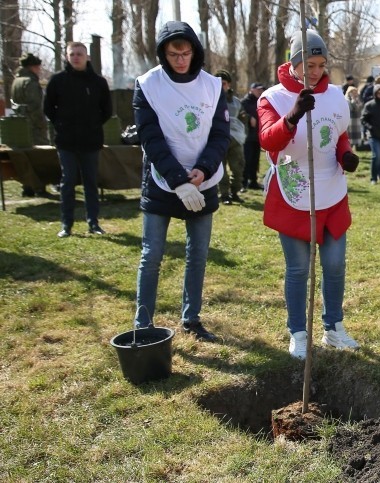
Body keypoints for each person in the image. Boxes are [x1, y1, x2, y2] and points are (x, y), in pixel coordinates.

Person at [257, 29, 360, 359]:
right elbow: (269, 140)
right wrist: (294, 115)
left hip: (331, 190)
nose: (315, 72)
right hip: (294, 193)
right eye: (308, 65)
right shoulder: (272, 98)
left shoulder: (335, 94)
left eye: (321, 64)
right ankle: (298, 334)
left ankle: (333, 328)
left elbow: (336, 133)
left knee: (334, 264)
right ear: (293, 63)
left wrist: (345, 154)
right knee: (299, 269)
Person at [132, 21, 230, 342]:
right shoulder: (148, 86)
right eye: (174, 54)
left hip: (202, 179)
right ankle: (143, 324)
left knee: (198, 252)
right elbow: (151, 137)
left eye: (186, 52)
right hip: (162, 179)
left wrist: (202, 169)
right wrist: (177, 179)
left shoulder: (212, 86)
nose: (181, 59)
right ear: (163, 53)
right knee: (152, 253)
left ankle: (191, 318)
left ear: (195, 51)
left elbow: (219, 135)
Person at [44, 41, 113, 238]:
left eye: (80, 54)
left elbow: (106, 110)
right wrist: (62, 125)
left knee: (90, 182)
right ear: (67, 56)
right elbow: (48, 108)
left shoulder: (98, 82)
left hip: (90, 141)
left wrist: (91, 125)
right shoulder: (58, 81)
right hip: (66, 141)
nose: (76, 57)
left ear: (87, 57)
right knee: (68, 182)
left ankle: (93, 223)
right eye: (72, 54)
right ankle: (66, 224)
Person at [11, 53, 49, 197]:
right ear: (33, 67)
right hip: (33, 125)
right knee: (40, 157)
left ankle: (27, 186)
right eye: (38, 67)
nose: (39, 70)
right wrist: (41, 125)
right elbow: (35, 107)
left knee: (24, 158)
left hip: (20, 125)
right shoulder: (31, 82)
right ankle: (39, 186)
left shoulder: (16, 81)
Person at [214, 70, 247, 204]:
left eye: (224, 84)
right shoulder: (209, 99)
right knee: (220, 169)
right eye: (219, 84)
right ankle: (224, 194)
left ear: (228, 85)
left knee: (238, 167)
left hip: (235, 139)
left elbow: (242, 118)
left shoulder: (236, 102)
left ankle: (235, 192)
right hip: (217, 139)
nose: (222, 87)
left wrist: (245, 121)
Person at [240, 82, 265, 190]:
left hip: (257, 136)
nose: (260, 91)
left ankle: (253, 181)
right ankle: (243, 182)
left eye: (261, 90)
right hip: (247, 136)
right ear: (252, 90)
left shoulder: (261, 102)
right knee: (246, 160)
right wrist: (249, 117)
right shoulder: (244, 102)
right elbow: (240, 114)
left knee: (255, 160)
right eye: (258, 89)